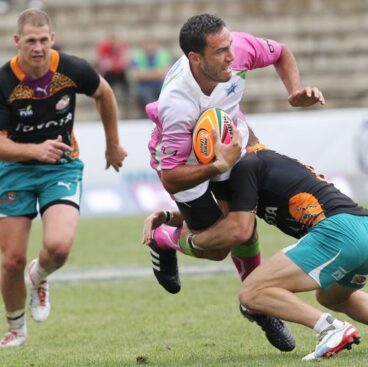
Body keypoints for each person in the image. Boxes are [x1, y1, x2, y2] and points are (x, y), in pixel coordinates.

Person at [145, 13, 324, 351]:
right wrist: (215, 166)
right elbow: (170, 178)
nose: (231, 57)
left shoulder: (237, 49)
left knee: (243, 227)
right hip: (185, 161)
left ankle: (255, 301)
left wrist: (294, 91)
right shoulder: (177, 104)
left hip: (231, 142)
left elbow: (281, 51)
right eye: (220, 52)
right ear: (195, 58)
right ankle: (166, 239)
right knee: (217, 248)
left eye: (229, 47)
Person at [144, 147, 368, 360]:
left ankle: (329, 329)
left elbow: (238, 230)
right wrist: (171, 216)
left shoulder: (244, 167)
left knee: (251, 292)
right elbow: (223, 214)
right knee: (332, 295)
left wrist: (186, 243)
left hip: (338, 233)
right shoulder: (256, 163)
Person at [0, 9, 127, 347]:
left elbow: (105, 94)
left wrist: (112, 145)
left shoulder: (71, 69)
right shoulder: (4, 83)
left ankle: (38, 276)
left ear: (52, 39)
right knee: (11, 259)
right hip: (14, 171)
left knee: (57, 247)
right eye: (30, 41)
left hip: (61, 165)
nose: (38, 47)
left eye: (43, 40)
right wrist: (34, 151)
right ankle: (16, 329)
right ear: (17, 42)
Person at [130, 39, 171, 115]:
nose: (149, 48)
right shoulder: (138, 57)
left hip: (160, 86)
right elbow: (136, 74)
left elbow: (165, 72)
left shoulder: (162, 55)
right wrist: (156, 73)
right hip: (144, 87)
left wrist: (145, 74)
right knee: (146, 96)